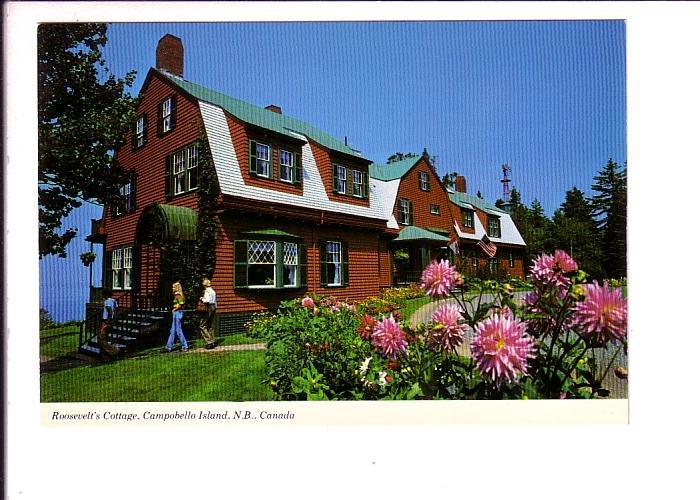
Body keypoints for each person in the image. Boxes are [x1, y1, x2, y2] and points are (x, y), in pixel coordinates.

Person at [165, 282, 188, 352]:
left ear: (177, 288)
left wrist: (175, 309)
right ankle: (168, 347)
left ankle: (185, 346)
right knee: (172, 331)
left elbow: (181, 304)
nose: (172, 288)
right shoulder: (176, 295)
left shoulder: (178, 295)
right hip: (176, 313)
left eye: (173, 287)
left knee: (178, 330)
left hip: (177, 313)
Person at [99, 289, 120, 360]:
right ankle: (107, 355)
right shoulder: (114, 301)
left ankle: (114, 351)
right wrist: (114, 320)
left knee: (101, 339)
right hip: (111, 321)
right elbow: (117, 311)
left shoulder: (107, 302)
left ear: (105, 295)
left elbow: (110, 312)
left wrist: (107, 321)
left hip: (106, 321)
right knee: (106, 338)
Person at [199, 278, 217, 349]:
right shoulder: (213, 291)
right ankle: (213, 341)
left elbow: (207, 300)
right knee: (210, 324)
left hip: (208, 307)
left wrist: (201, 298)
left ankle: (209, 341)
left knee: (202, 325)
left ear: (204, 285)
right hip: (213, 307)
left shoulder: (206, 291)